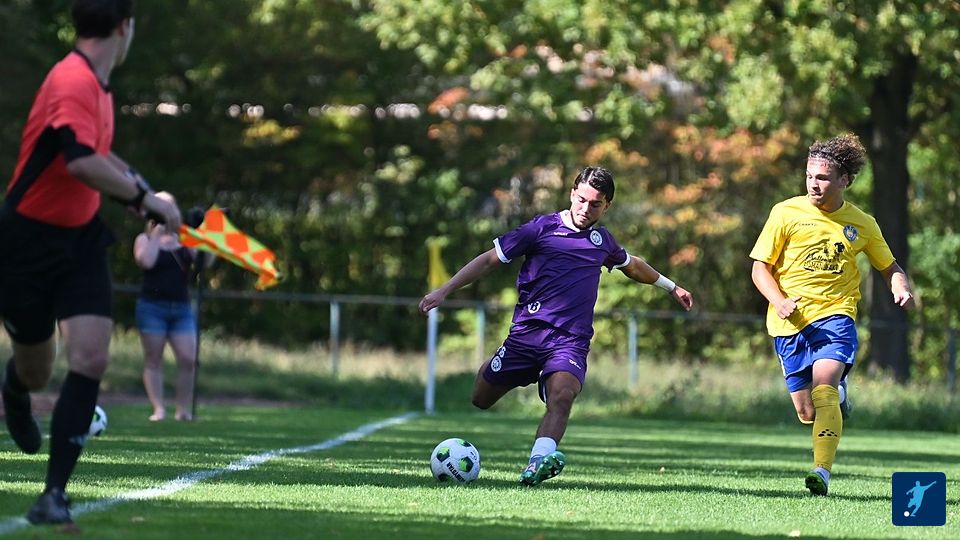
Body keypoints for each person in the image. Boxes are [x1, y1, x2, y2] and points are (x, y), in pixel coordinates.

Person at [0, 0, 181, 526]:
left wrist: (145, 192)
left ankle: (53, 495)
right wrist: (144, 199)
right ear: (125, 28)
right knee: (36, 370)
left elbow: (100, 156)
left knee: (91, 356)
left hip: (80, 241)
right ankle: (15, 388)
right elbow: (80, 162)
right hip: (27, 242)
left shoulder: (99, 88)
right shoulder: (72, 80)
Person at [419, 166, 694, 486]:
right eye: (581, 199)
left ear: (607, 206)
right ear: (572, 194)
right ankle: (519, 368)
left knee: (562, 396)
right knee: (481, 398)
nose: (585, 208)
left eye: (595, 204)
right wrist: (444, 290)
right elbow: (489, 260)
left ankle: (537, 462)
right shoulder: (540, 229)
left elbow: (633, 266)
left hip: (569, 342)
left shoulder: (602, 241)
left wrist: (671, 287)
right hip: (526, 336)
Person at [749, 133, 915, 496]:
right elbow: (760, 268)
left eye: (822, 177)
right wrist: (779, 301)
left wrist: (900, 287)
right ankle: (839, 396)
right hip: (789, 323)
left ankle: (821, 471)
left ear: (845, 180)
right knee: (807, 413)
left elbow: (890, 267)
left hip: (835, 317)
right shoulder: (785, 212)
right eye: (810, 176)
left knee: (823, 387)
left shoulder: (862, 223)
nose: (813, 184)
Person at [134, 197, 208, 422]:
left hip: (181, 309)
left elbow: (205, 262)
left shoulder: (185, 239)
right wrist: (157, 234)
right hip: (152, 308)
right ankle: (159, 409)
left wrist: (202, 231)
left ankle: (182, 410)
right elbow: (146, 261)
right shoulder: (144, 239)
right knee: (153, 359)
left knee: (188, 359)